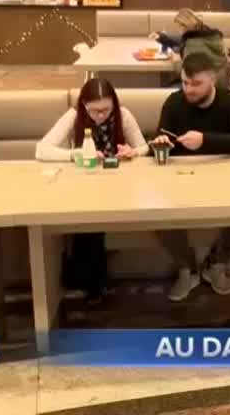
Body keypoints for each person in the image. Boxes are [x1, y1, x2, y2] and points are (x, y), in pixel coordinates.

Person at [150, 53, 230, 302]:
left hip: (226, 174)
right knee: (155, 211)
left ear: (212, 80)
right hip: (181, 175)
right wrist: (161, 143)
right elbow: (160, 137)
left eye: (196, 84)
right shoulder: (174, 102)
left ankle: (216, 262)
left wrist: (204, 140)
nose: (189, 89)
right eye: (185, 82)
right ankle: (187, 267)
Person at [36, 78, 148, 302]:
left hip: (120, 185)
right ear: (84, 105)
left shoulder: (123, 115)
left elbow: (144, 146)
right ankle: (94, 282)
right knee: (89, 215)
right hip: (84, 185)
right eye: (94, 111)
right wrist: (76, 154)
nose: (101, 116)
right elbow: (41, 150)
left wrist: (133, 152)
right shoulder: (74, 116)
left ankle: (92, 282)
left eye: (106, 109)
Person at [151, 9, 230, 91]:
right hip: (221, 81)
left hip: (204, 86)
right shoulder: (211, 35)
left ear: (183, 26)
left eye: (178, 28)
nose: (178, 31)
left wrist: (176, 60)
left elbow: (188, 71)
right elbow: (179, 40)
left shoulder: (192, 43)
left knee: (166, 92)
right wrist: (162, 37)